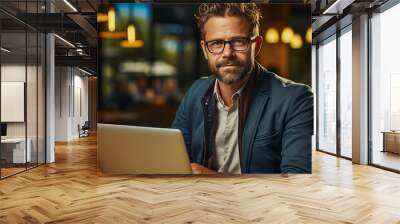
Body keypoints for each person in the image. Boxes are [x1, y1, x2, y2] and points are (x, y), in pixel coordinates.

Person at [171, 3, 313, 174]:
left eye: (239, 42)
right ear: (204, 49)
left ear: (257, 45)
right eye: (216, 43)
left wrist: (211, 179)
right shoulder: (196, 91)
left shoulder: (296, 99)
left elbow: (297, 181)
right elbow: (172, 159)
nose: (227, 53)